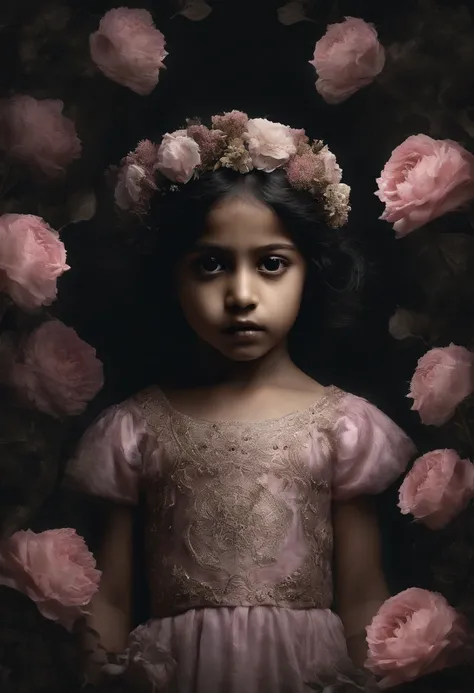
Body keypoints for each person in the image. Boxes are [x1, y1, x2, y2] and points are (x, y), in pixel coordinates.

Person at [65, 112, 416, 693]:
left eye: (272, 264)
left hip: (306, 674)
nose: (242, 296)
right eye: (211, 265)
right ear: (171, 279)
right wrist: (96, 667)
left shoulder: (344, 427)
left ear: (310, 272)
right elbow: (111, 599)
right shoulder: (136, 429)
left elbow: (362, 596)